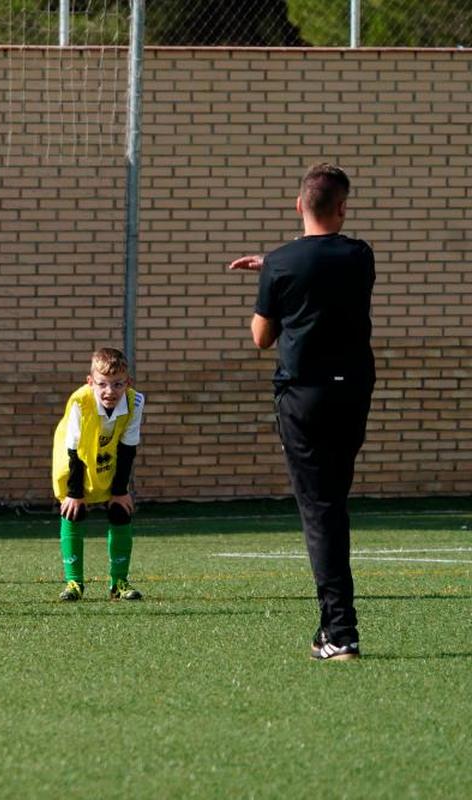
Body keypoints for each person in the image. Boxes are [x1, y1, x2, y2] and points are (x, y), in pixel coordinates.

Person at [229, 162, 375, 662]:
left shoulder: (284, 263)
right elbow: (325, 262)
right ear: (343, 208)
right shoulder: (360, 255)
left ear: (298, 205)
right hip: (353, 393)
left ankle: (341, 632)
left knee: (320, 511)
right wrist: (275, 264)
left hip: (303, 397)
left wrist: (272, 269)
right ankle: (330, 628)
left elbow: (261, 338)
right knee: (332, 503)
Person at [51, 347, 145, 602]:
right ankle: (74, 583)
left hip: (106, 455)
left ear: (128, 382)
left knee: (120, 510)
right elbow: (74, 449)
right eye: (102, 384)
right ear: (90, 382)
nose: (109, 391)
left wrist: (120, 491)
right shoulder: (80, 402)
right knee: (74, 510)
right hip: (72, 457)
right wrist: (74, 493)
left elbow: (127, 448)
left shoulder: (136, 401)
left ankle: (119, 583)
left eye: (117, 384)